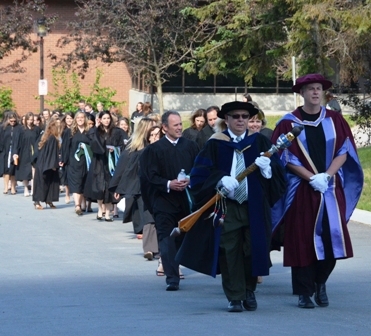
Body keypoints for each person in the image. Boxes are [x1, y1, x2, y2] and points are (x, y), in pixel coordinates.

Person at [177, 101, 286, 312]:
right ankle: (235, 296)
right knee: (230, 250)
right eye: (235, 116)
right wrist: (219, 180)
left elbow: (280, 178)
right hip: (228, 206)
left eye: (245, 116)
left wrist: (268, 171)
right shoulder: (215, 144)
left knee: (252, 249)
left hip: (254, 206)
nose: (241, 120)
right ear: (226, 119)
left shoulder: (260, 143)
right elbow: (199, 175)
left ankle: (249, 289)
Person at [271, 73, 363, 309]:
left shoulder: (335, 120)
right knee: (301, 240)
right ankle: (304, 292)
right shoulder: (288, 123)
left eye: (318, 89)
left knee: (333, 238)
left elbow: (345, 150)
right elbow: (285, 156)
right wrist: (312, 178)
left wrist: (327, 176)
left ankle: (320, 283)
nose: (315, 92)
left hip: (330, 189)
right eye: (310, 88)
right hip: (301, 190)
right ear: (301, 93)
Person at [140, 111, 199, 291]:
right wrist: (168, 184)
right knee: (166, 239)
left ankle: (177, 264)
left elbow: (200, 169)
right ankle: (172, 277)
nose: (180, 128)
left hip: (185, 201)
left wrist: (190, 179)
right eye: (175, 125)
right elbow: (149, 176)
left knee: (182, 237)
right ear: (165, 127)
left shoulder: (190, 147)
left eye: (180, 124)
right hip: (163, 201)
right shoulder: (153, 150)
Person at [110, 118, 157, 252]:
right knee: (146, 215)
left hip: (155, 184)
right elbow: (122, 167)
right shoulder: (135, 147)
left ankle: (153, 246)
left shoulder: (158, 144)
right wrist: (118, 186)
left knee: (150, 216)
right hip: (139, 185)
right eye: (152, 129)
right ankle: (149, 247)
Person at [84, 111, 123, 222]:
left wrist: (115, 149)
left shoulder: (116, 132)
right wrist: (96, 127)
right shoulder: (96, 131)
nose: (106, 120)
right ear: (100, 119)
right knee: (99, 187)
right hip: (99, 162)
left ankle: (107, 214)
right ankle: (100, 209)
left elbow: (121, 145)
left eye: (108, 118)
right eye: (104, 118)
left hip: (111, 163)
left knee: (109, 187)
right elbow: (90, 140)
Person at [62, 112, 91, 216]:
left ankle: (83, 204)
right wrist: (63, 160)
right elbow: (65, 147)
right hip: (73, 162)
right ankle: (77, 205)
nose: (80, 119)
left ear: (85, 119)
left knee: (83, 182)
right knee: (75, 183)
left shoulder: (89, 132)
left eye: (82, 117)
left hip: (86, 162)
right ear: (75, 119)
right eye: (78, 117)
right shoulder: (70, 132)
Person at [32, 119, 61, 210]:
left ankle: (48, 200)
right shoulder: (52, 138)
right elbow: (52, 153)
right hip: (47, 163)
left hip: (41, 162)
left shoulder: (45, 136)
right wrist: (53, 165)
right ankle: (38, 202)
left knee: (45, 182)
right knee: (45, 182)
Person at [16, 112, 42, 197]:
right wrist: (16, 153)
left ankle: (33, 189)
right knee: (25, 171)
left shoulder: (37, 129)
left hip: (34, 151)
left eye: (32, 120)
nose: (30, 121)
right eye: (29, 120)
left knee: (34, 170)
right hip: (24, 152)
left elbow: (39, 141)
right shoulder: (21, 129)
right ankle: (26, 188)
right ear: (26, 120)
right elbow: (17, 142)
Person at [0, 111, 22, 195]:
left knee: (13, 169)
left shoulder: (19, 128)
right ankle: (6, 187)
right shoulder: (3, 128)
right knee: (6, 169)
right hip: (5, 151)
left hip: (15, 151)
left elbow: (20, 140)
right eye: (11, 121)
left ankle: (13, 187)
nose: (12, 122)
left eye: (14, 121)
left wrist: (17, 151)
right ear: (7, 120)